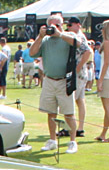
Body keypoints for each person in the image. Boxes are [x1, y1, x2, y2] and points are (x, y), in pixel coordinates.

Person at [28, 14, 79, 154]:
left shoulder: (67, 36)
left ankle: (72, 141)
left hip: (64, 80)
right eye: (52, 25)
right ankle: (52, 140)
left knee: (69, 113)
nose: (54, 28)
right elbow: (32, 53)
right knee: (50, 112)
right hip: (49, 80)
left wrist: (60, 34)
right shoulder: (45, 40)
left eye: (58, 25)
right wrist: (40, 36)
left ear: (62, 25)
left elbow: (78, 43)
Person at [65, 16, 93, 137]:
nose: (68, 28)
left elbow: (88, 51)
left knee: (69, 100)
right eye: (67, 26)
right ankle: (80, 128)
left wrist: (78, 67)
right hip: (82, 73)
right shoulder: (76, 36)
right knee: (80, 101)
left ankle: (70, 128)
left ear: (78, 25)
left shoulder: (79, 37)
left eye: (70, 25)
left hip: (78, 73)